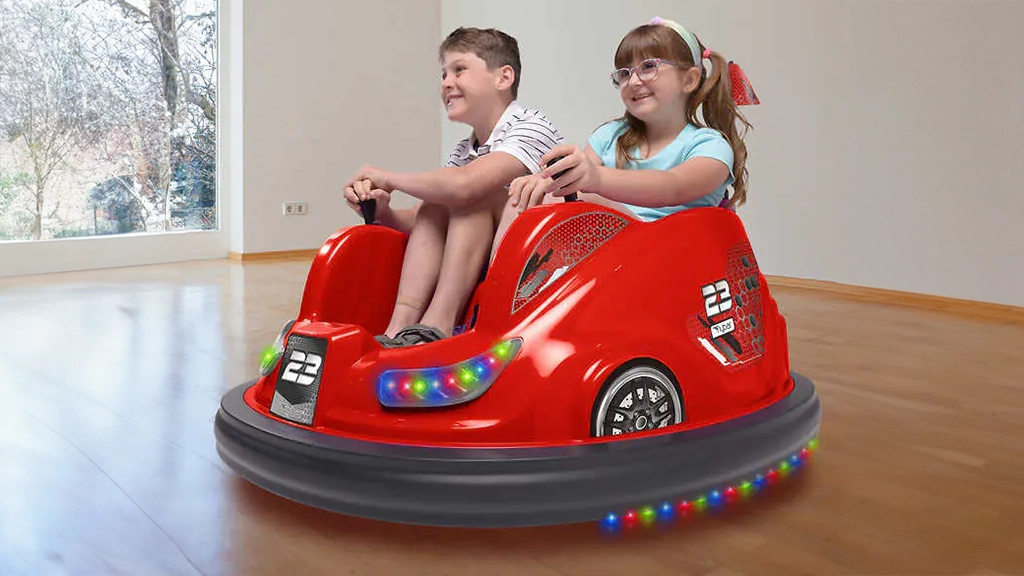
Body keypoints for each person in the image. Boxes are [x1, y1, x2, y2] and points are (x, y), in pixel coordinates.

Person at [344, 27, 563, 347]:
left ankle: (438, 324)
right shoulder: (464, 150)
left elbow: (467, 186)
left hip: (534, 266)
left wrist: (389, 178)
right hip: (478, 250)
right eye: (444, 74)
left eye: (459, 70)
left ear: (504, 77)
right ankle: (398, 329)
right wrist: (383, 212)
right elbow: (425, 217)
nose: (446, 82)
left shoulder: (531, 126)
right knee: (437, 202)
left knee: (469, 196)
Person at [496, 16, 758, 244]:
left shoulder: (710, 146)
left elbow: (673, 186)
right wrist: (543, 181)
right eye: (624, 73)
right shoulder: (609, 136)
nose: (633, 81)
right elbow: (576, 180)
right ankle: (499, 282)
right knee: (523, 198)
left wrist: (595, 179)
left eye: (648, 67)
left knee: (578, 195)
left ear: (689, 79)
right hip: (612, 254)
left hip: (673, 255)